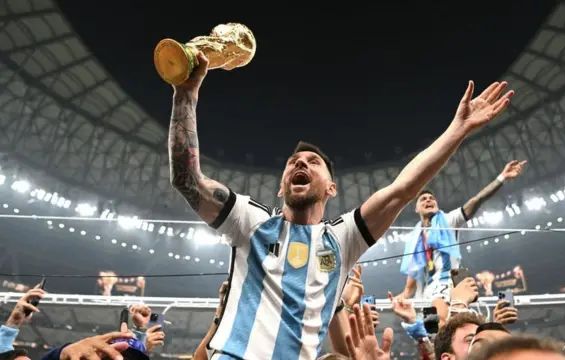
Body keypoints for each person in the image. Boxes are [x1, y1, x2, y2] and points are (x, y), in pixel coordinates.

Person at [168, 51, 514, 360]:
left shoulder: (342, 239)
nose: (300, 164)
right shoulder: (250, 221)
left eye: (312, 162)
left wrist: (458, 129)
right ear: (281, 187)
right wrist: (186, 95)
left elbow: (402, 189)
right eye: (293, 161)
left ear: (331, 188)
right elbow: (187, 179)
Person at [396, 160, 526, 322]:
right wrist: (400, 297)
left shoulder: (449, 220)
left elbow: (476, 200)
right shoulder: (415, 238)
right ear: (416, 209)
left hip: (445, 283)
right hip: (425, 291)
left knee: (442, 323)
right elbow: (411, 283)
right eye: (423, 199)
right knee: (432, 334)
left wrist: (501, 178)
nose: (428, 200)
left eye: (431, 198)